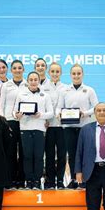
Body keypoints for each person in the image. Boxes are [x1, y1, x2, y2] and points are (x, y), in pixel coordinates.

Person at [57, 64, 98, 189]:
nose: (76, 76)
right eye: (74, 73)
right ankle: (74, 179)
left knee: (85, 154)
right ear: (70, 75)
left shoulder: (89, 90)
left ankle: (85, 180)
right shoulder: (64, 90)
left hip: (85, 127)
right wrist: (58, 114)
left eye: (78, 73)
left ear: (83, 74)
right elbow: (58, 107)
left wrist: (84, 113)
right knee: (72, 154)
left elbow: (96, 107)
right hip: (68, 127)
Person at [14, 72, 54, 190]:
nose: (33, 81)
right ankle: (29, 181)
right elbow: (15, 111)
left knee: (38, 156)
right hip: (25, 128)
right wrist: (17, 115)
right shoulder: (21, 95)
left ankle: (37, 181)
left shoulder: (45, 95)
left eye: (35, 79)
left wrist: (40, 115)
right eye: (31, 79)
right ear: (27, 81)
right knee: (27, 156)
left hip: (39, 128)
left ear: (38, 80)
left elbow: (51, 113)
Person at [0, 60, 28, 189]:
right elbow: (1, 104)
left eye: (19, 68)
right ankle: (9, 181)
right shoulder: (6, 85)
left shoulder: (28, 84)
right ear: (11, 70)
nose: (17, 70)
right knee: (10, 153)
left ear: (23, 70)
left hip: (25, 122)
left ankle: (21, 181)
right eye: (15, 68)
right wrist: (3, 122)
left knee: (23, 152)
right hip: (9, 122)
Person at [42, 62, 67, 190]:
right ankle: (50, 181)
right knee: (49, 155)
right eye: (52, 71)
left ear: (61, 73)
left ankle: (61, 180)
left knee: (62, 155)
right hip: (49, 126)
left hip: (62, 127)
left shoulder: (66, 88)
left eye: (57, 71)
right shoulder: (43, 88)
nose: (55, 74)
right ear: (48, 73)